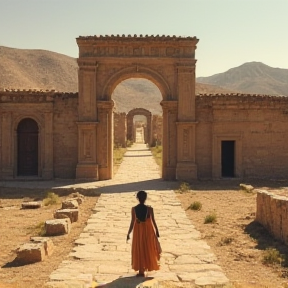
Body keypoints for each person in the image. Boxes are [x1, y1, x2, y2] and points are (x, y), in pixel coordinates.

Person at [127, 190, 161, 277]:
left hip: (138, 232)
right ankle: (147, 266)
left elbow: (132, 221)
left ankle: (141, 270)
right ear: (145, 198)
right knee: (148, 248)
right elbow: (153, 221)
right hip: (148, 231)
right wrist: (157, 230)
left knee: (140, 249)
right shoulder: (149, 209)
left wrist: (129, 233)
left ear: (137, 198)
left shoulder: (134, 209)